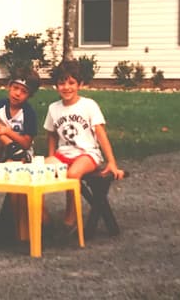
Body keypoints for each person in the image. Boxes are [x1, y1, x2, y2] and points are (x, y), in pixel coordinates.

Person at [44, 59, 124, 227]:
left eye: (71, 82)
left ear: (80, 84)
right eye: (61, 83)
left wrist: (112, 162)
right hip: (64, 154)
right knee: (40, 170)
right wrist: (51, 156)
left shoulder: (88, 105)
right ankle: (43, 217)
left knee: (73, 174)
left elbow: (101, 134)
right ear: (56, 86)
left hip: (87, 154)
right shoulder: (53, 108)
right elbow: (51, 134)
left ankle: (71, 217)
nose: (66, 87)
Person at [0, 68, 41, 162]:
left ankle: (12, 151)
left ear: (29, 95)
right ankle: (10, 146)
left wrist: (7, 131)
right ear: (9, 86)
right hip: (0, 149)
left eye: (23, 91)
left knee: (10, 168)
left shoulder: (28, 113)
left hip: (21, 154)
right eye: (15, 88)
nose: (17, 93)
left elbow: (26, 144)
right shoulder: (0, 105)